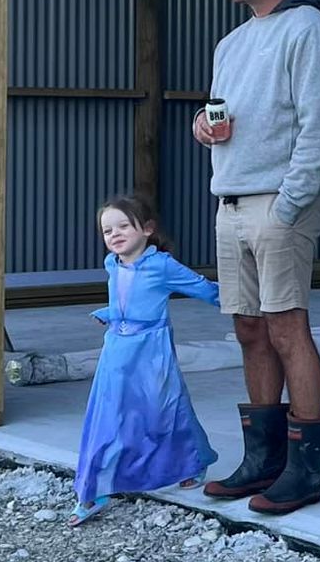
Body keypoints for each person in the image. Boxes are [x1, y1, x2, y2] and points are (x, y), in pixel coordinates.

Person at [192, 0, 320, 515]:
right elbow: (219, 114)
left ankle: (306, 473)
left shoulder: (308, 30)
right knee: (250, 330)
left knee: (287, 328)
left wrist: (289, 204)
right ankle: (264, 461)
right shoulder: (230, 43)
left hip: (279, 206)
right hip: (230, 202)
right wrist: (203, 129)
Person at [69, 192, 221, 526]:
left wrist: (243, 304)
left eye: (124, 226)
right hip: (116, 352)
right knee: (107, 417)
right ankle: (93, 489)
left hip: (151, 352)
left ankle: (195, 460)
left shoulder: (162, 265)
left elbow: (204, 288)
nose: (115, 235)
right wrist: (109, 312)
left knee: (165, 411)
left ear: (147, 229)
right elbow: (125, 300)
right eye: (108, 230)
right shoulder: (113, 264)